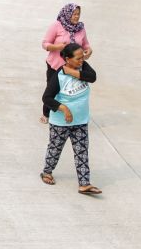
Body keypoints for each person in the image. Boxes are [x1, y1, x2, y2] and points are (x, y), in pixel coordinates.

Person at [40, 42, 102, 196]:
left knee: (82, 152)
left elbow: (92, 77)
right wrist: (64, 108)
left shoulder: (83, 67)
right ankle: (47, 172)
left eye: (83, 57)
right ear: (67, 59)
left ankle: (84, 184)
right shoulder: (58, 76)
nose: (82, 60)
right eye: (78, 58)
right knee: (55, 148)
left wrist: (73, 72)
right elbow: (46, 98)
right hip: (61, 123)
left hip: (80, 121)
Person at [40, 3, 92, 123]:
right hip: (55, 64)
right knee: (52, 89)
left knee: (70, 90)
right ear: (67, 14)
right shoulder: (56, 26)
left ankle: (71, 111)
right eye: (74, 14)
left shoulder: (80, 28)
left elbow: (85, 44)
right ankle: (46, 113)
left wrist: (89, 50)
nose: (76, 16)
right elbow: (45, 43)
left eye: (78, 14)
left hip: (73, 66)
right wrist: (57, 47)